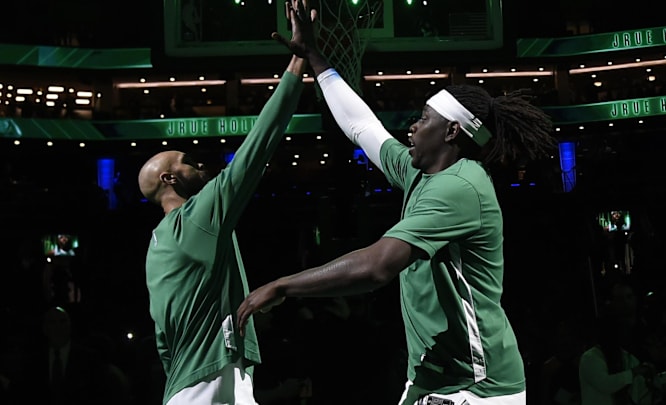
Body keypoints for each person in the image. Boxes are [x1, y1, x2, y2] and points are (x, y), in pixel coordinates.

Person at [236, 2, 556, 404]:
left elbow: (376, 267)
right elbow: (361, 125)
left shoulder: (460, 188)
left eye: (424, 118)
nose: (413, 126)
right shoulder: (419, 170)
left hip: (477, 385)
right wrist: (313, 55)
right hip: (432, 377)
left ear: (452, 131)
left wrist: (283, 285)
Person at [137, 38, 308, 404]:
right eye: (187, 160)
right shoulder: (196, 216)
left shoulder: (157, 243)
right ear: (170, 179)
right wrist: (299, 61)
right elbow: (258, 144)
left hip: (188, 383)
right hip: (209, 381)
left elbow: (163, 339)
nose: (198, 164)